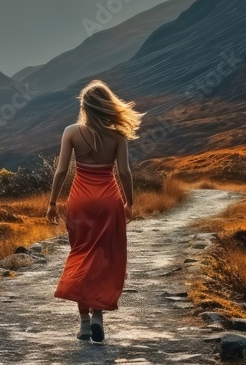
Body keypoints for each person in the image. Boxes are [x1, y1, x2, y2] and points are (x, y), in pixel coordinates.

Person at [46, 80, 144, 342]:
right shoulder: (118, 136)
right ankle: (99, 315)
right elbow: (124, 172)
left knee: (80, 255)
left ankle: (84, 324)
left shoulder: (71, 132)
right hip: (109, 200)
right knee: (103, 257)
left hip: (80, 202)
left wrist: (52, 202)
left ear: (85, 107)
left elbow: (61, 171)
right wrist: (129, 202)